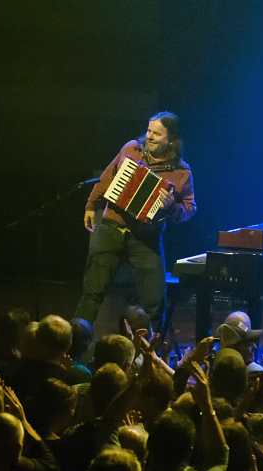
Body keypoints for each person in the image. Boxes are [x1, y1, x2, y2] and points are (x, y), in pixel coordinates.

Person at [76, 112, 196, 334]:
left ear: (170, 140)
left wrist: (171, 206)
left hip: (145, 239)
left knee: (155, 303)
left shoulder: (181, 172)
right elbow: (107, 178)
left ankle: (151, 356)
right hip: (111, 228)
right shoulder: (132, 149)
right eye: (149, 131)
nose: (149, 136)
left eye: (156, 133)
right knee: (92, 293)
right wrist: (91, 206)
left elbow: (190, 208)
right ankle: (74, 348)